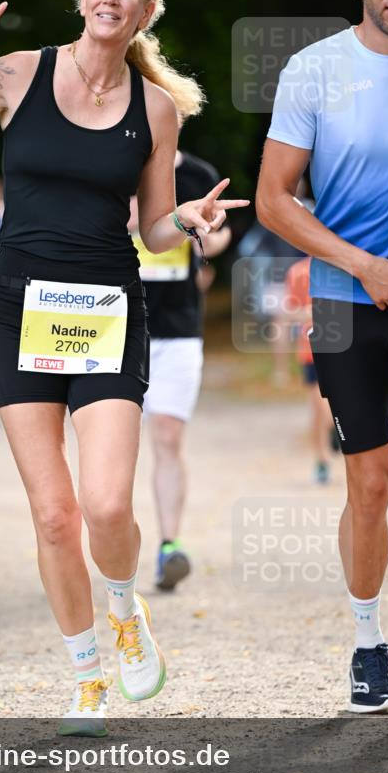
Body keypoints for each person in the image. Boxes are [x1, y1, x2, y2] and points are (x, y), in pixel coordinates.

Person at [0, 0, 248, 732]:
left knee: (107, 503)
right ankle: (86, 675)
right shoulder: (17, 74)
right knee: (54, 515)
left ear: (145, 12)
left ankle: (123, 608)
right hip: (18, 310)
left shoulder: (155, 110)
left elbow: (152, 228)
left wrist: (184, 221)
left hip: (109, 313)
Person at [256, 0, 388, 711]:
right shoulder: (313, 70)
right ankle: (368, 647)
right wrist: (363, 265)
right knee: (369, 486)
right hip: (343, 303)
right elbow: (271, 199)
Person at [129, 151, 231, 590]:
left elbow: (222, 236)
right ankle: (111, 552)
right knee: (112, 443)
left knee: (168, 436)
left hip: (177, 329)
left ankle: (169, 545)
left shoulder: (198, 174)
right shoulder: (115, 160)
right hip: (115, 325)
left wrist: (200, 234)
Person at [285, 256, 334, 484]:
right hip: (310, 350)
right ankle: (322, 459)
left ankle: (337, 434)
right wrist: (312, 312)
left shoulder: (342, 268)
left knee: (334, 406)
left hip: (342, 348)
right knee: (318, 406)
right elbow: (290, 312)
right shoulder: (298, 272)